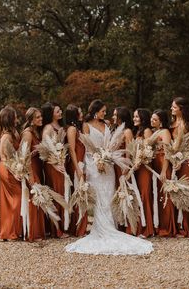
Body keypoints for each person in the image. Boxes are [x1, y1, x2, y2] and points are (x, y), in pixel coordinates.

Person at [65, 99, 153, 255]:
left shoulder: (106, 125)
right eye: (103, 111)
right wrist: (94, 162)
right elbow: (87, 147)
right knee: (99, 196)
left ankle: (111, 225)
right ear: (95, 111)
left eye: (106, 112)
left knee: (109, 194)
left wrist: (107, 157)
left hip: (109, 164)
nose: (105, 114)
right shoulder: (86, 125)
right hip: (94, 164)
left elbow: (111, 143)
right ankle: (100, 227)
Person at [170, 97, 189, 238]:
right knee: (175, 191)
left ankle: (188, 229)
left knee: (185, 192)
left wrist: (182, 157)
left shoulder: (185, 124)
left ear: (181, 109)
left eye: (174, 107)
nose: (171, 109)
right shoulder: (174, 122)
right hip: (176, 160)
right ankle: (177, 225)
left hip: (186, 161)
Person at [41, 102, 68, 238]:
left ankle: (62, 226)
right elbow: (45, 151)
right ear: (51, 113)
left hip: (61, 163)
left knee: (62, 193)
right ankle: (55, 230)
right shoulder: (48, 128)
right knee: (56, 194)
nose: (60, 112)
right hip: (52, 166)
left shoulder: (60, 126)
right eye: (58, 111)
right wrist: (55, 165)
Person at [150, 109, 177, 237]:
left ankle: (168, 227)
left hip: (163, 165)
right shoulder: (156, 132)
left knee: (165, 195)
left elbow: (167, 152)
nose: (152, 121)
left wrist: (164, 170)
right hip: (155, 165)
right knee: (158, 195)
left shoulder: (165, 132)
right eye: (152, 118)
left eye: (155, 119)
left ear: (161, 121)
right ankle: (160, 224)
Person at [21, 107, 45, 241]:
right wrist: (30, 175)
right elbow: (24, 156)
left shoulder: (36, 132)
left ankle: (38, 231)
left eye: (40, 116)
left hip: (37, 167)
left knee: (38, 197)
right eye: (37, 117)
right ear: (30, 120)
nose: (40, 119)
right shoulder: (28, 133)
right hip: (31, 169)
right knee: (34, 197)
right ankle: (32, 233)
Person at [0, 106, 22, 240]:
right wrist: (15, 172)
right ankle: (10, 232)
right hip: (7, 168)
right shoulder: (6, 137)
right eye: (15, 116)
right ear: (10, 118)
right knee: (16, 198)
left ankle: (10, 232)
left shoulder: (14, 132)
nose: (17, 118)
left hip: (13, 166)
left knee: (12, 200)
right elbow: (5, 158)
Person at [66, 104, 88, 237]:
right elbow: (72, 150)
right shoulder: (72, 130)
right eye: (80, 112)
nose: (82, 114)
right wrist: (77, 168)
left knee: (82, 193)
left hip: (82, 163)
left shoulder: (78, 128)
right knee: (78, 194)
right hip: (76, 164)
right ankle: (78, 228)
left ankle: (82, 226)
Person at [133, 108, 154, 238]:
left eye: (136, 117)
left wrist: (139, 161)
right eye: (134, 116)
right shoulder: (138, 131)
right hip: (137, 168)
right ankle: (140, 226)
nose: (134, 118)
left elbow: (148, 152)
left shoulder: (147, 131)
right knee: (139, 195)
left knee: (145, 195)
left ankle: (147, 229)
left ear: (143, 118)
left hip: (144, 168)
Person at [112, 107, 133, 187]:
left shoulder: (127, 131)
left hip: (122, 165)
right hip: (115, 164)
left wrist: (127, 167)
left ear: (121, 116)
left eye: (115, 115)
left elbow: (129, 151)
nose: (113, 117)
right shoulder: (115, 130)